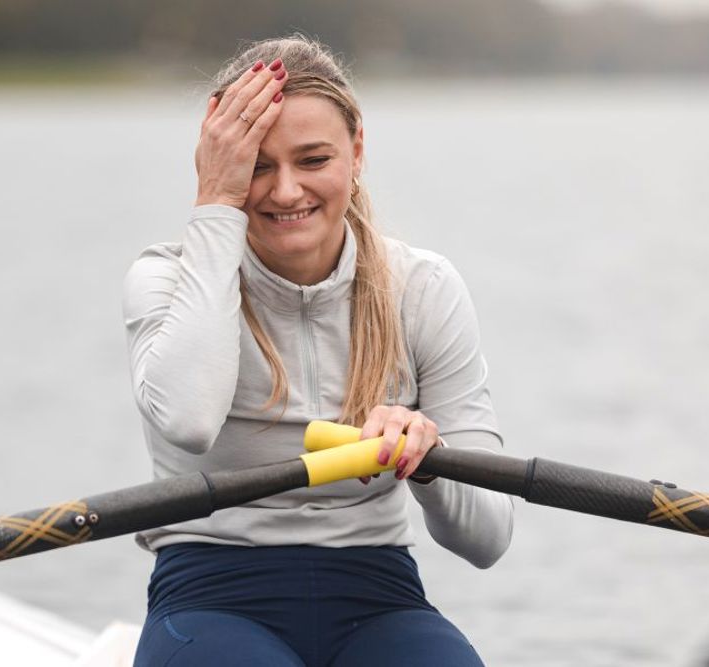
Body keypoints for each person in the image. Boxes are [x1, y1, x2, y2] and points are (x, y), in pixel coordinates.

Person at [122, 35, 513, 666]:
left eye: (312, 160)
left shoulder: (422, 289)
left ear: (357, 151)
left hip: (379, 597)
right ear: (217, 163)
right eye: (254, 164)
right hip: (212, 593)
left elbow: (489, 537)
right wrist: (216, 206)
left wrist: (429, 457)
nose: (284, 192)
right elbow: (190, 424)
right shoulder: (166, 280)